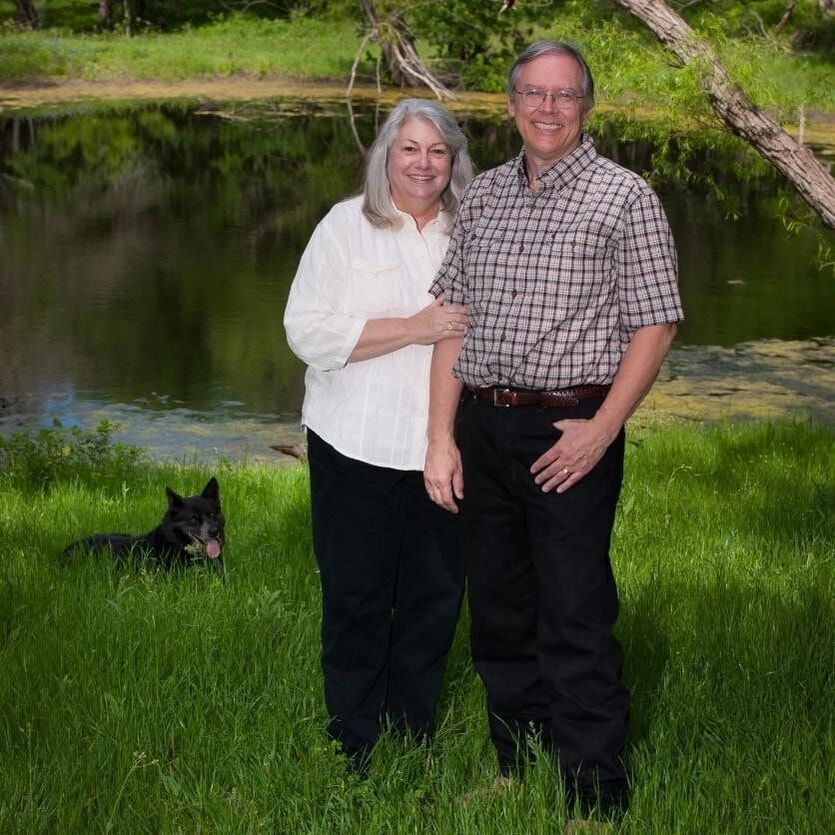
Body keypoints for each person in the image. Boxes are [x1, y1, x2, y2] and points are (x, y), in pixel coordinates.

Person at [424, 41, 683, 823]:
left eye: (563, 96)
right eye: (532, 94)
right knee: (499, 610)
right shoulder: (485, 197)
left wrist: (601, 429)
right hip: (483, 426)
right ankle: (515, 760)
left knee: (573, 611)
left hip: (569, 430)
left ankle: (593, 795)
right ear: (509, 105)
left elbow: (656, 323)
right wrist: (441, 436)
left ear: (585, 107)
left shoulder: (623, 195)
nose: (546, 108)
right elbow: (453, 324)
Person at [284, 99, 475, 770]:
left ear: (453, 161)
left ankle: (411, 732)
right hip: (354, 445)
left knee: (432, 597)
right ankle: (354, 741)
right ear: (385, 157)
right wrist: (412, 327)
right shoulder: (344, 227)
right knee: (357, 596)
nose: (422, 164)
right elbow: (305, 331)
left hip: (446, 448)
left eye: (436, 151)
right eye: (409, 149)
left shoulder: (474, 231)